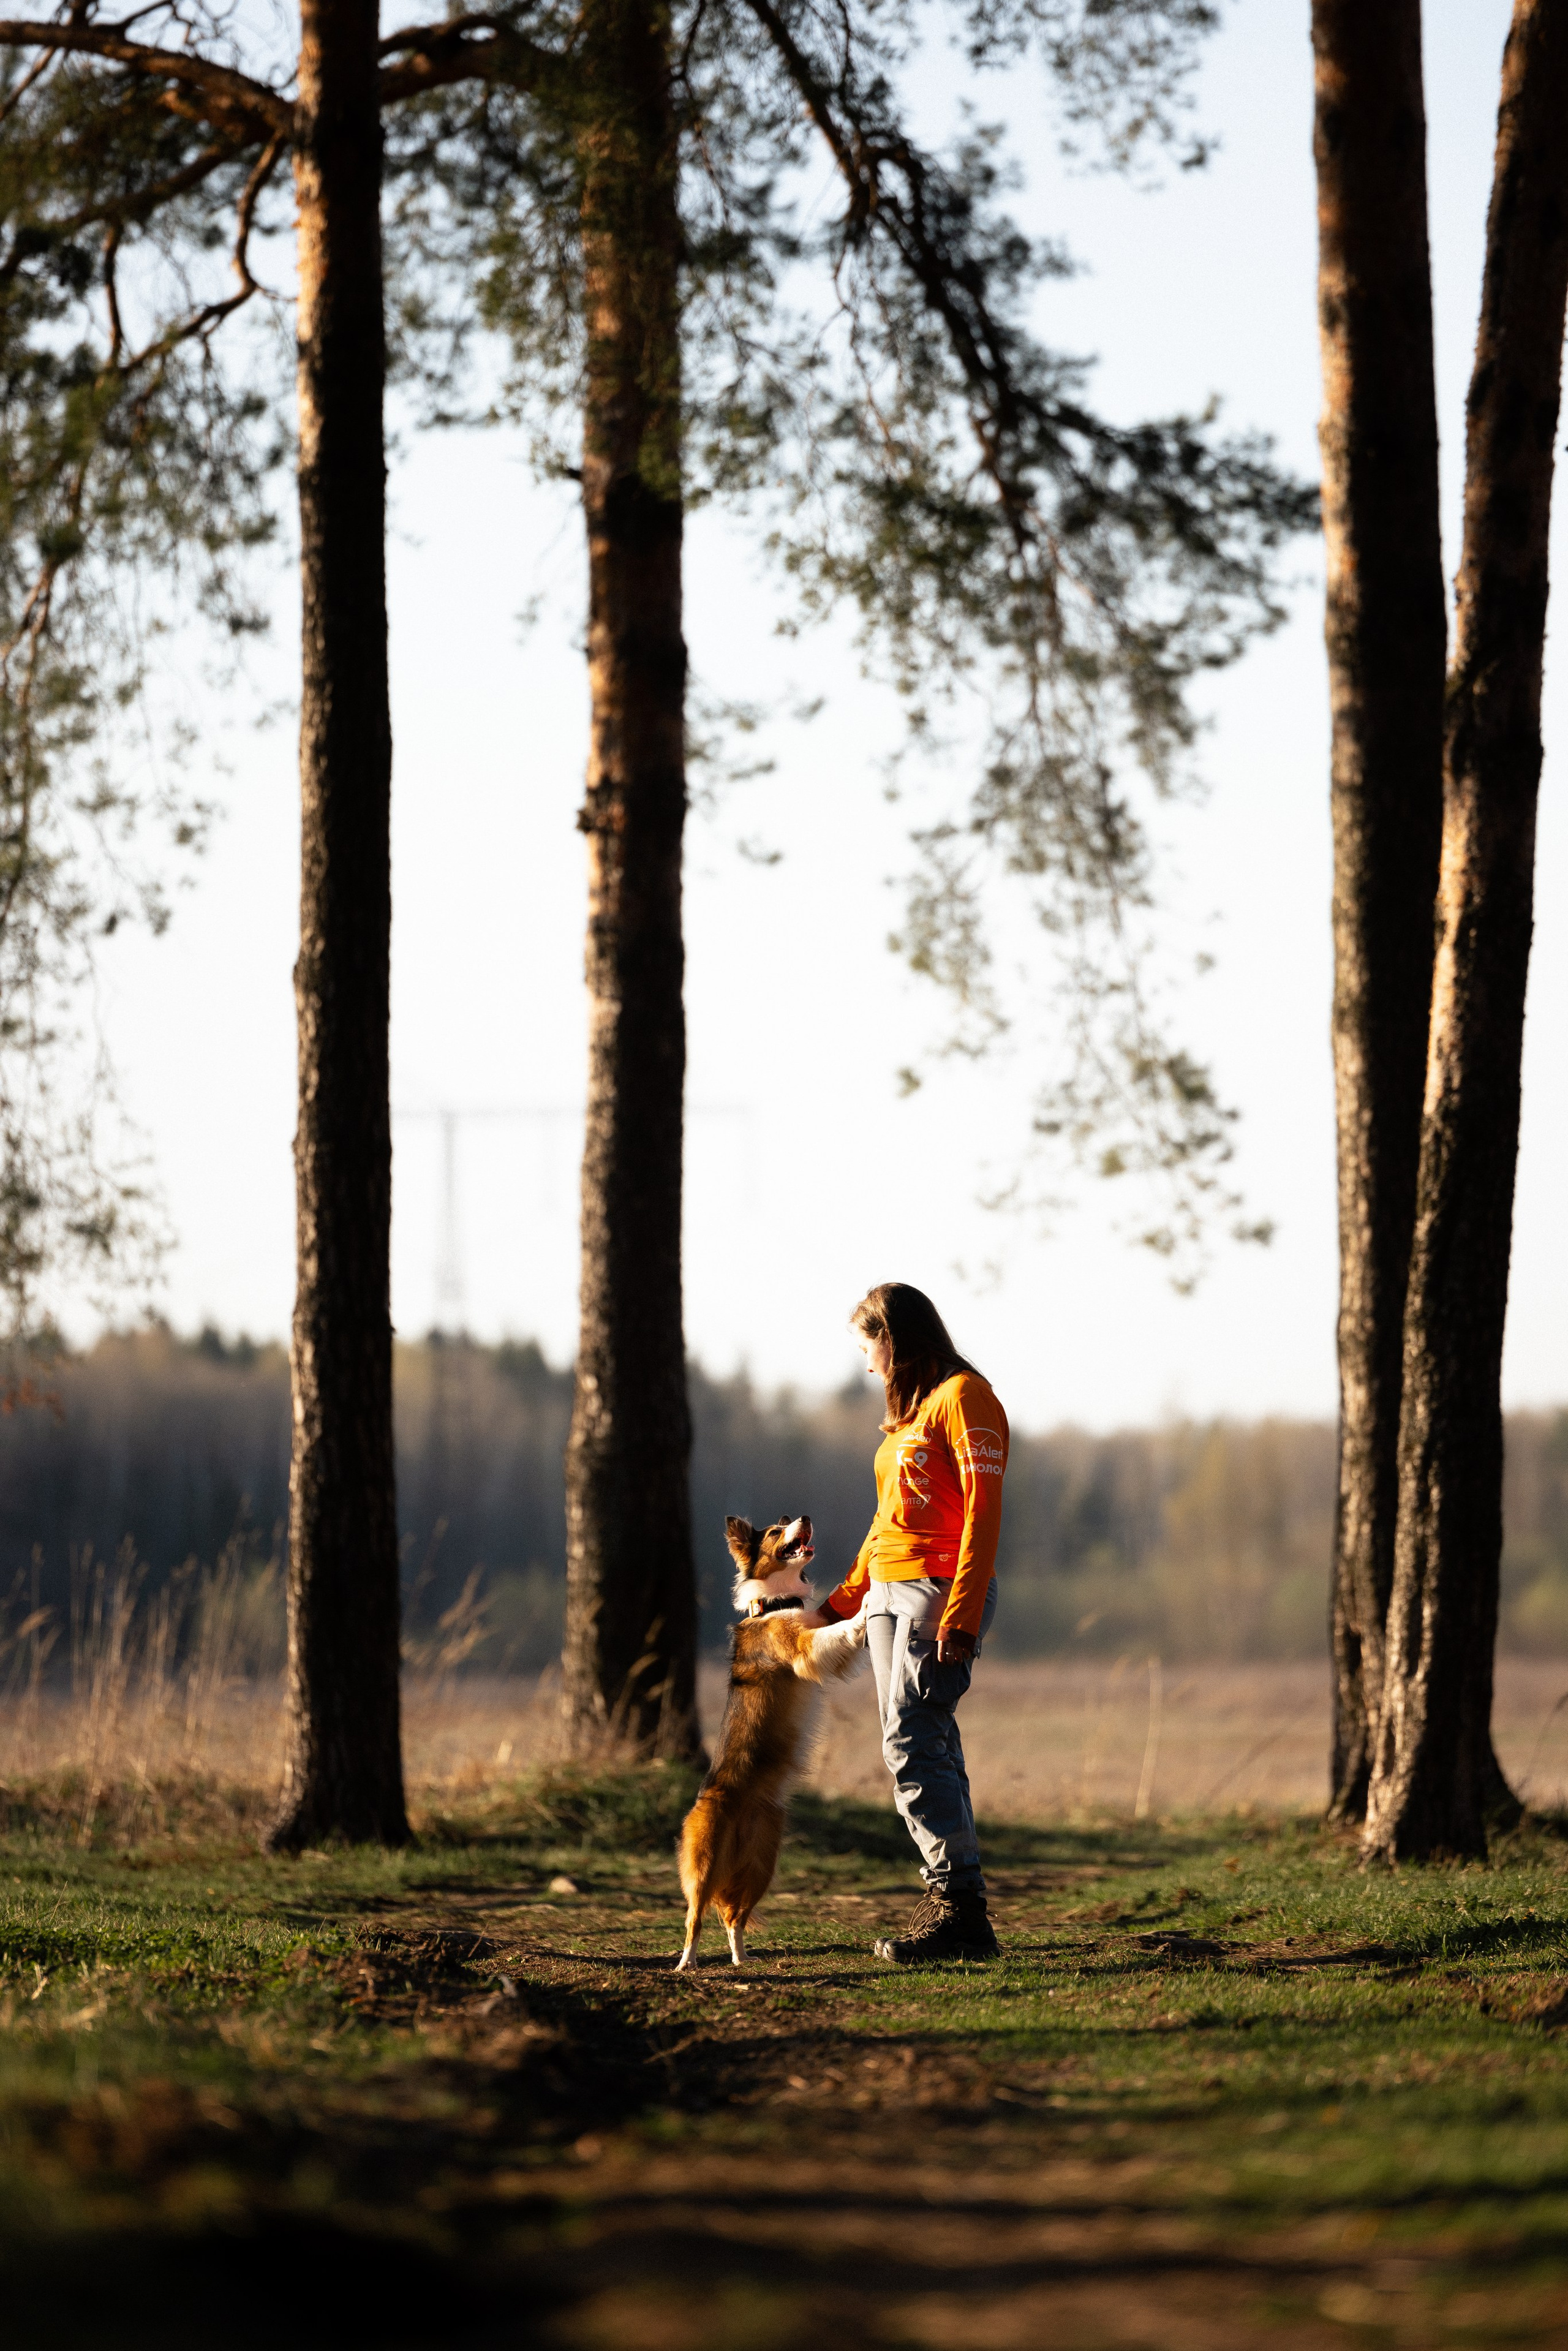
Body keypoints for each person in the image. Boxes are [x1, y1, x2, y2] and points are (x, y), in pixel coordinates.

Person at [805, 1281, 1009, 1963]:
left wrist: (964, 1609)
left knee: (912, 1741)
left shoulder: (964, 1397)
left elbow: (983, 1512)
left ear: (892, 1336)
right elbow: (886, 1520)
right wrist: (840, 1602)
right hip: (887, 1592)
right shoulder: (910, 1413)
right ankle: (960, 1904)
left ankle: (959, 1907)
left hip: (937, 1588)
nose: (867, 1365)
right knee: (921, 1739)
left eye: (869, 1347)